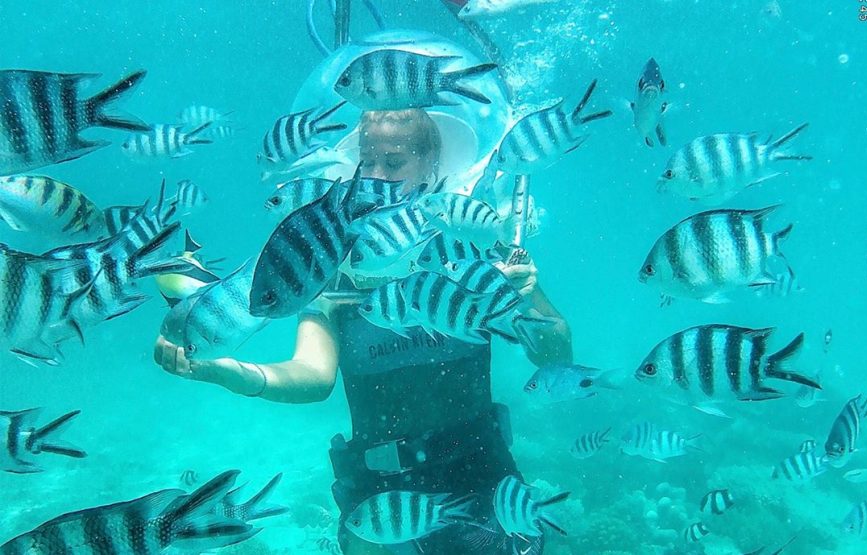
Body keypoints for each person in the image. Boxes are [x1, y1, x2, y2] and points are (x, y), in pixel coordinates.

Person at [154, 108, 573, 554]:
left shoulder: (470, 254)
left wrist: (524, 296)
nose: (374, 176)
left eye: (393, 164)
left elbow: (556, 356)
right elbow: (313, 378)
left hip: (482, 484)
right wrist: (228, 370)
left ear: (430, 169)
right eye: (366, 163)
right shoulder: (329, 269)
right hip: (379, 500)